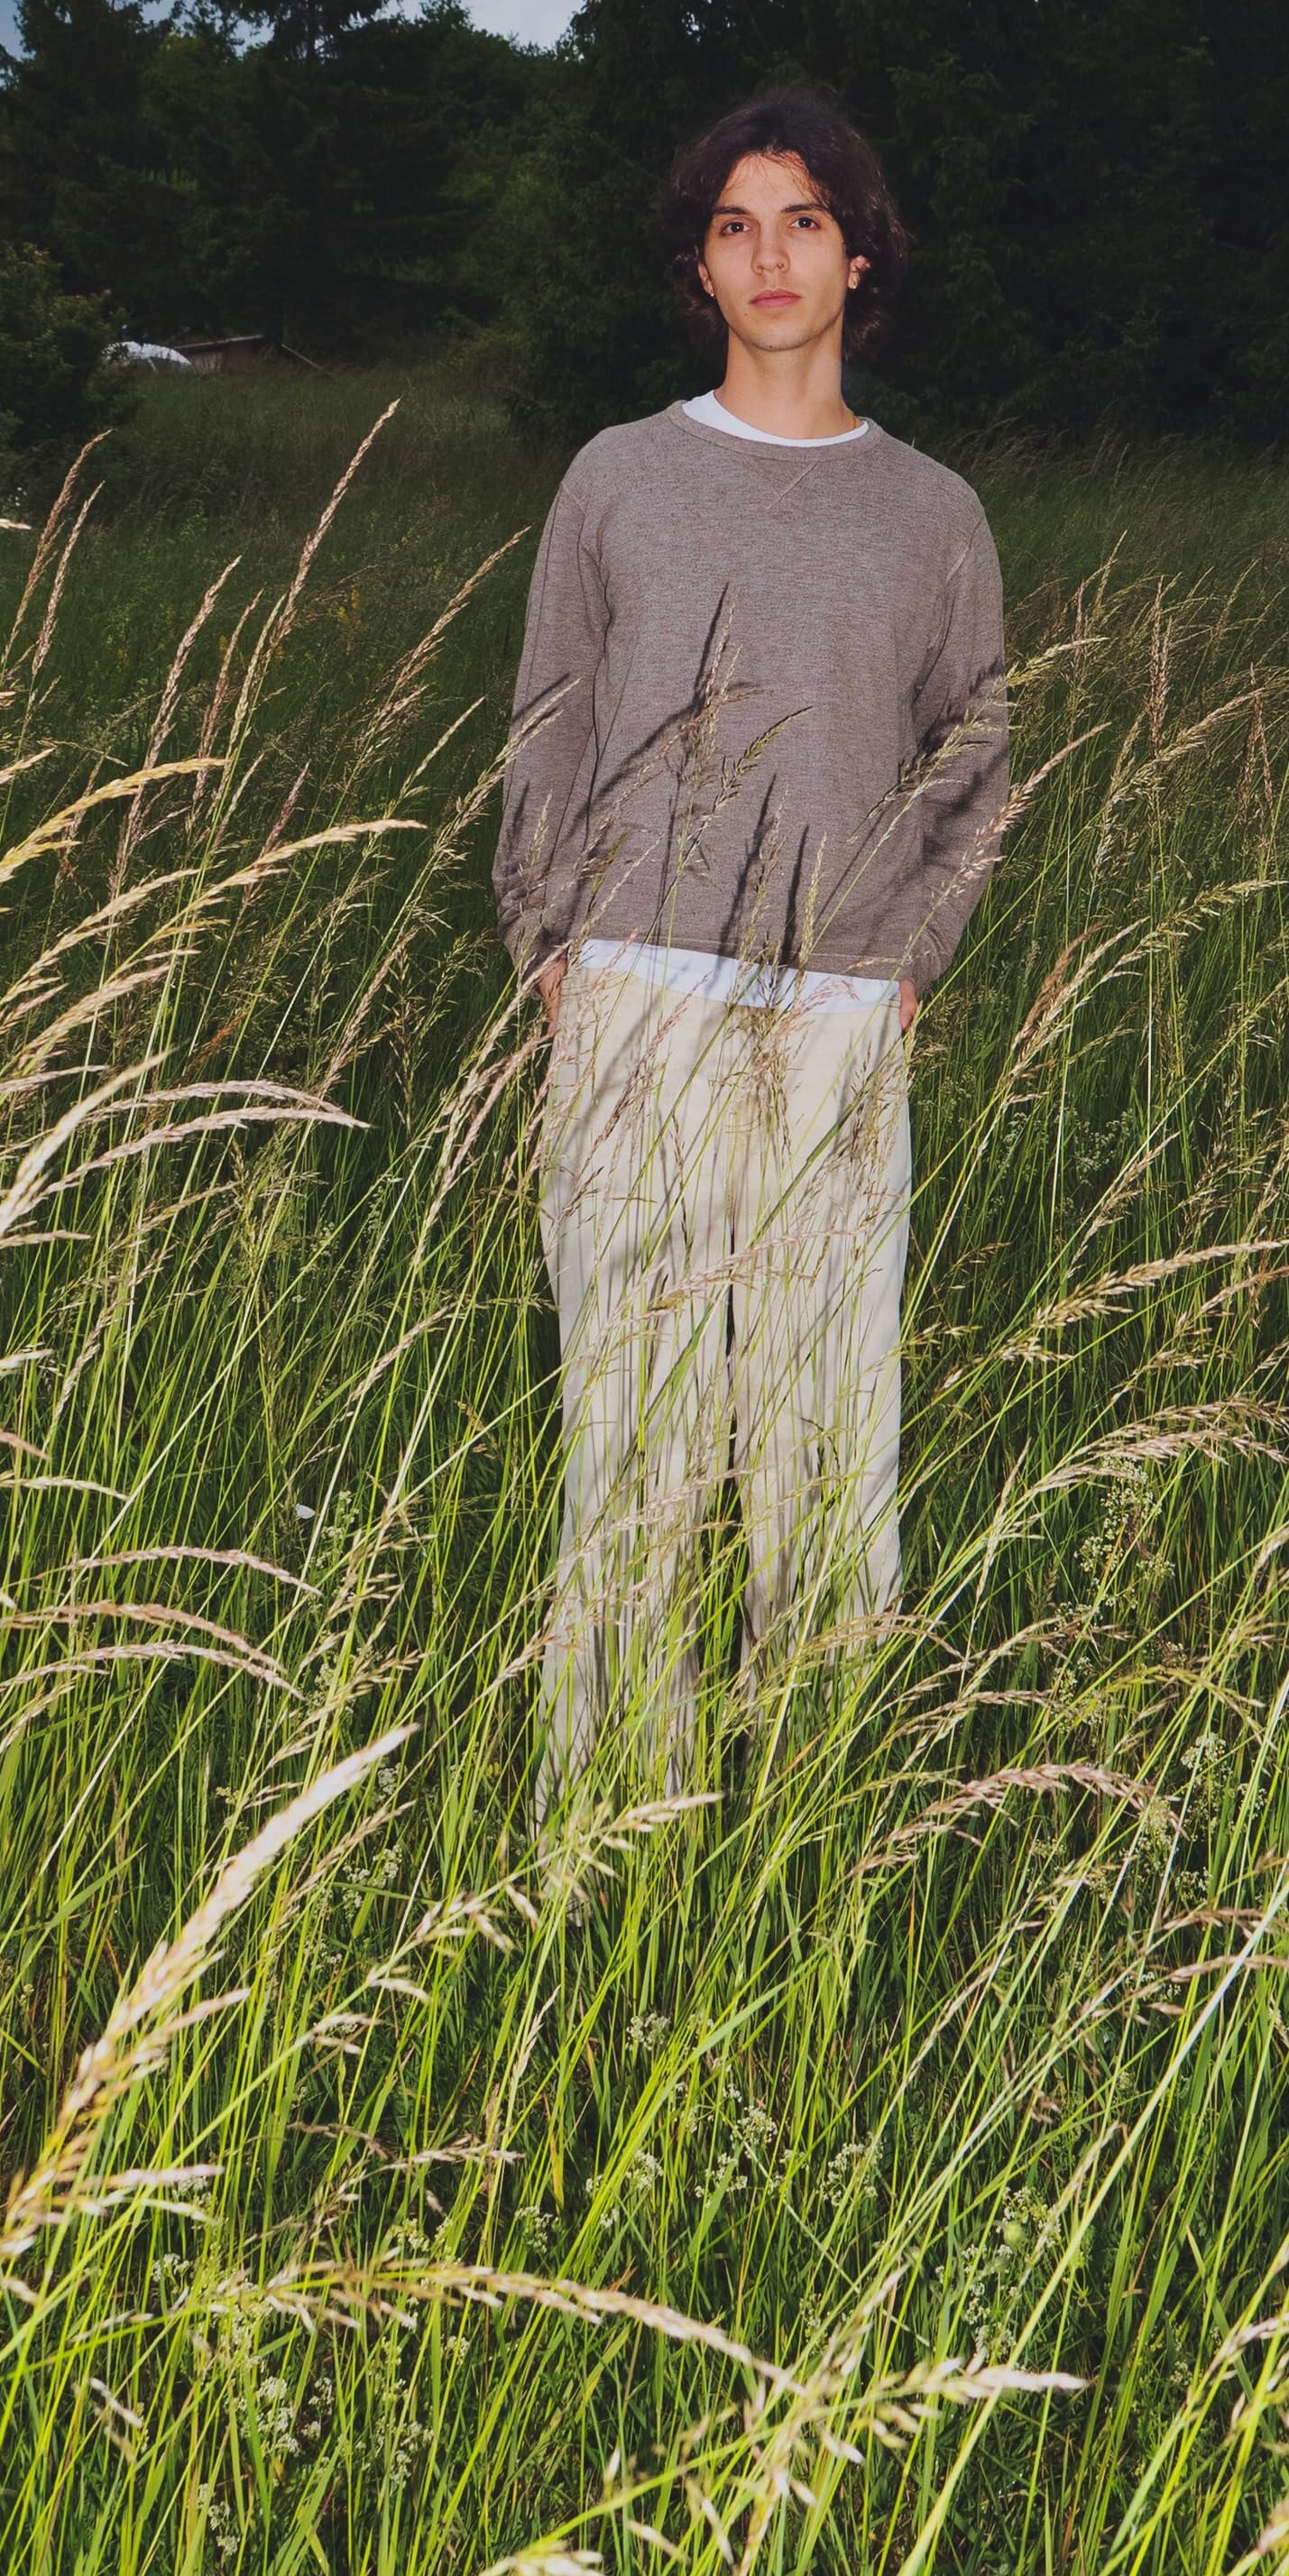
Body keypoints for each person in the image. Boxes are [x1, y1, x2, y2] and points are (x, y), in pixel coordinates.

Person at [496, 88, 1008, 1800]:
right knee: (630, 1454)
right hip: (634, 996)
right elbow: (551, 718)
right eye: (734, 223)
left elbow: (975, 755)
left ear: (859, 258)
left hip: (836, 1012)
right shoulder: (619, 477)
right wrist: (549, 942)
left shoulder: (931, 511)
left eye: (803, 220)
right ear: (700, 265)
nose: (768, 254)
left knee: (823, 1449)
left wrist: (910, 958)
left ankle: (810, 1834)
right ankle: (599, 1839)